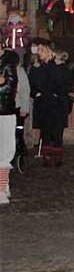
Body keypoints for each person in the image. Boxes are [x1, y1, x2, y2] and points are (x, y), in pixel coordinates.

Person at [29, 41, 72, 167]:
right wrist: (36, 93)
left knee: (57, 131)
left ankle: (57, 157)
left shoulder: (59, 66)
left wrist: (57, 93)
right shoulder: (37, 67)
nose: (39, 53)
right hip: (43, 103)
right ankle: (47, 157)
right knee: (45, 131)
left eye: (42, 50)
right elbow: (32, 83)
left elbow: (65, 83)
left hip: (57, 103)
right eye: (39, 50)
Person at [0, 46, 18, 203]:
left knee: (5, 150)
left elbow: (9, 86)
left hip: (4, 112)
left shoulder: (8, 64)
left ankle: (2, 188)